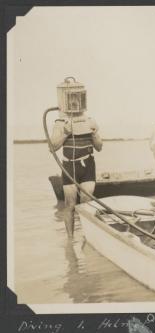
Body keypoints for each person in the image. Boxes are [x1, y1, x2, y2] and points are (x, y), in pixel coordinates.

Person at [50, 78, 103, 237]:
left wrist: (94, 134)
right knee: (70, 205)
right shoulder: (60, 123)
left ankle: (88, 238)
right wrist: (65, 133)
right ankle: (70, 240)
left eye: (77, 98)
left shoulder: (90, 120)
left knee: (87, 204)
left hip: (87, 165)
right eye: (71, 98)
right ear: (65, 99)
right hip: (69, 166)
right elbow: (52, 148)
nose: (74, 102)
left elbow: (99, 147)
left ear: (81, 98)